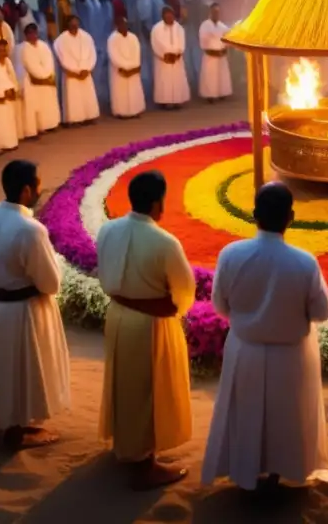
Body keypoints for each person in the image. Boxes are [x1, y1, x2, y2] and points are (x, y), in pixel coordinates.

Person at [203, 182, 328, 491]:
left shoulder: (231, 254)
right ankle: (277, 472)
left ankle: (247, 470)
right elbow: (322, 313)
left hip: (244, 349)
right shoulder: (303, 262)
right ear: (291, 217)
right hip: (290, 353)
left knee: (245, 413)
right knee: (285, 416)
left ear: (253, 215)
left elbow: (220, 305)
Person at [97, 171, 196, 489]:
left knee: (124, 381)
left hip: (117, 315)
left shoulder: (108, 230)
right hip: (150, 324)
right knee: (148, 390)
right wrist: (172, 309)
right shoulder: (164, 242)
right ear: (158, 203)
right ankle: (144, 464)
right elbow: (184, 290)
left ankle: (126, 446)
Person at [0, 160, 71, 449]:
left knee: (7, 369)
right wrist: (57, 263)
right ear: (28, 190)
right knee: (21, 370)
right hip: (23, 311)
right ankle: (15, 432)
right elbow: (50, 283)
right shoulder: (30, 228)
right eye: (39, 183)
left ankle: (10, 421)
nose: (42, 189)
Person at [53, 15, 100, 125]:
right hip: (71, 73)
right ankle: (74, 120)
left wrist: (87, 68)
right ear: (67, 24)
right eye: (72, 23)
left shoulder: (86, 37)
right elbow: (62, 56)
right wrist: (74, 71)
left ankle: (90, 116)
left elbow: (92, 54)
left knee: (88, 95)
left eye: (76, 23)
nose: (74, 25)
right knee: (73, 97)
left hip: (85, 71)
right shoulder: (61, 40)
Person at [17, 23, 61, 136]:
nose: (33, 36)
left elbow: (49, 62)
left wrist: (47, 76)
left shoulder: (44, 46)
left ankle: (49, 125)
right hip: (31, 81)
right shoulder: (23, 48)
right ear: (26, 35)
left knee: (48, 103)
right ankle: (35, 130)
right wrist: (40, 77)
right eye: (30, 33)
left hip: (45, 80)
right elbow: (29, 65)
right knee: (33, 107)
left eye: (34, 33)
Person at [151, 5, 190, 108]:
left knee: (177, 80)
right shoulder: (156, 29)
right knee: (164, 81)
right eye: (167, 16)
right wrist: (165, 55)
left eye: (171, 15)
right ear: (163, 16)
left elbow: (182, 43)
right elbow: (156, 44)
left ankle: (177, 101)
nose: (170, 18)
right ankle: (164, 102)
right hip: (163, 60)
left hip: (176, 59)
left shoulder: (179, 28)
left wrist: (177, 54)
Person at [106, 17, 145, 119]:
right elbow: (113, 55)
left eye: (125, 24)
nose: (124, 27)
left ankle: (135, 110)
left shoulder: (133, 37)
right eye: (121, 24)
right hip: (119, 70)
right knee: (120, 92)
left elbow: (137, 53)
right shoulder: (112, 39)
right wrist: (124, 67)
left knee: (134, 90)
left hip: (133, 69)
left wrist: (134, 67)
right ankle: (121, 113)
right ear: (116, 26)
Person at [199, 3, 234, 101]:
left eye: (218, 12)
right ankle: (210, 96)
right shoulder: (205, 25)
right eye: (214, 12)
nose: (216, 14)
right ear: (210, 12)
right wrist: (211, 51)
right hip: (210, 55)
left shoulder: (223, 26)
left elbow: (228, 39)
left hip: (221, 54)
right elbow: (203, 40)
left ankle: (222, 93)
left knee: (222, 76)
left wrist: (225, 49)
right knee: (210, 77)